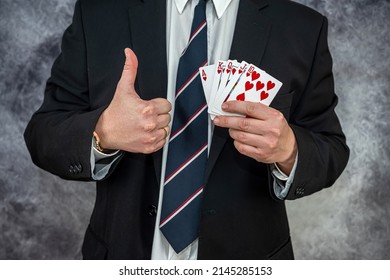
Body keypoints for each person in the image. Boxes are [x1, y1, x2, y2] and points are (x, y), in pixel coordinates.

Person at [24, 0, 349, 260]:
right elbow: (43, 133)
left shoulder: (301, 28)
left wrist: (289, 150)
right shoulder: (99, 12)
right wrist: (103, 132)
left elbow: (330, 148)